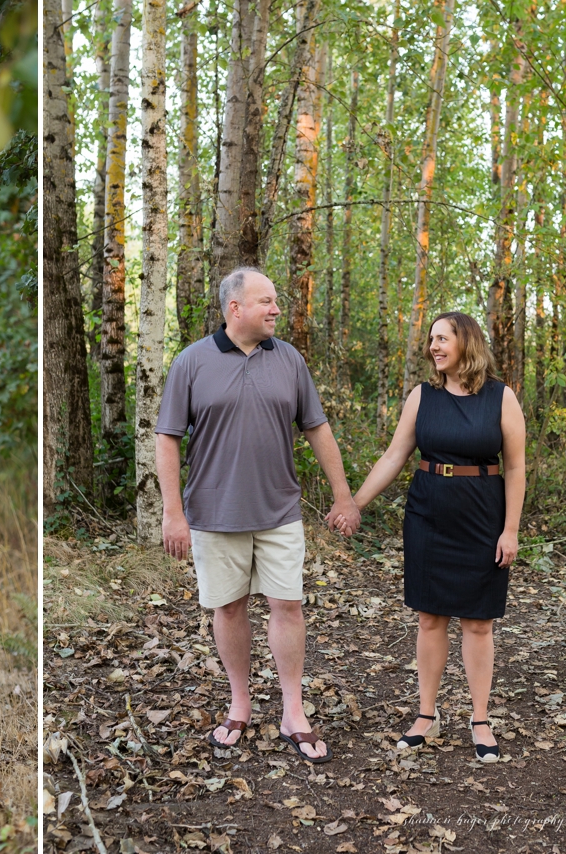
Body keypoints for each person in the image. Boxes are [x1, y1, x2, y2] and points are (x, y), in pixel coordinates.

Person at [155, 266, 360, 764]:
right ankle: (240, 705)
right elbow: (167, 439)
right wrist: (173, 512)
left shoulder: (288, 359)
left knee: (288, 606)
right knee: (228, 609)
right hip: (214, 512)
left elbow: (317, 428)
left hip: (279, 510)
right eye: (266, 301)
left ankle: (293, 712)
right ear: (235, 308)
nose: (276, 309)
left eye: (275, 300)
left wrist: (343, 496)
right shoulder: (191, 362)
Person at [348, 311, 525, 763]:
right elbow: (394, 456)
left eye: (443, 338)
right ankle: (426, 715)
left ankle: (480, 719)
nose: (434, 346)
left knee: (479, 622)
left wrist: (510, 530)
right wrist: (355, 503)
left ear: (467, 342)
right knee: (429, 618)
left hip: (483, 519)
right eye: (431, 339)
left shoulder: (500, 397)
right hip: (427, 516)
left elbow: (515, 467)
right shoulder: (422, 396)